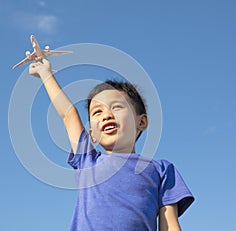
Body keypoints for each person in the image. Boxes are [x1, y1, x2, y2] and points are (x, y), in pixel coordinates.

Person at [29, 58, 194, 231]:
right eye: (97, 112)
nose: (106, 115)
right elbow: (68, 114)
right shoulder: (87, 160)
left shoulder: (161, 170)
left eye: (116, 107)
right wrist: (45, 73)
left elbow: (169, 225)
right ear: (91, 134)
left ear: (142, 121)